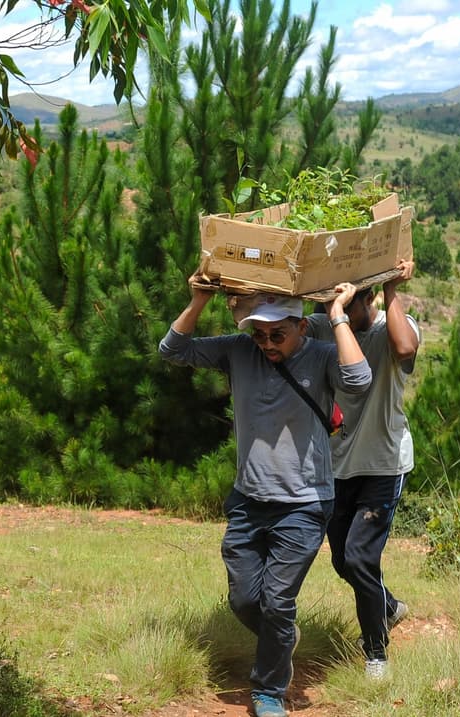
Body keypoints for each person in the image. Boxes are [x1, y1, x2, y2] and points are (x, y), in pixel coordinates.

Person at [159, 276, 371, 717]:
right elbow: (173, 350)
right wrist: (198, 300)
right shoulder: (239, 351)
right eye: (259, 333)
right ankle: (281, 636)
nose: (267, 343)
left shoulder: (322, 354)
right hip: (249, 500)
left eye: (277, 334)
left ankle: (269, 691)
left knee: (277, 601)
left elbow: (359, 378)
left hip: (305, 503)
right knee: (243, 599)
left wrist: (335, 317)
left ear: (299, 325)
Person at [304, 260, 419, 680]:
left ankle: (376, 653)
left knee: (359, 556)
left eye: (346, 301)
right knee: (342, 560)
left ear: (365, 298)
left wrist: (391, 288)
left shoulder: (393, 327)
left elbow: (405, 349)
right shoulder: (325, 324)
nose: (334, 309)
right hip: (339, 466)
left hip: (383, 465)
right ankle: (388, 607)